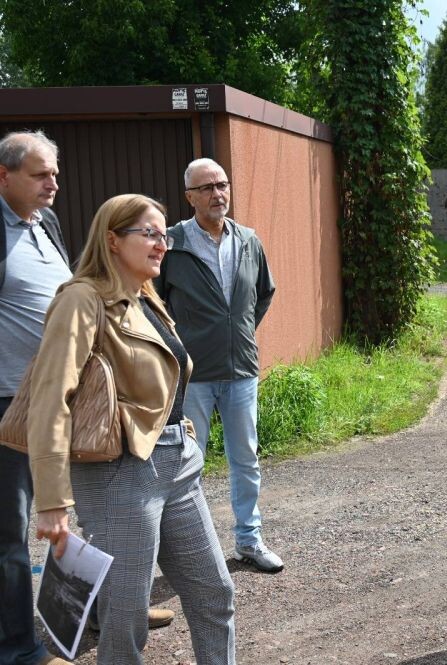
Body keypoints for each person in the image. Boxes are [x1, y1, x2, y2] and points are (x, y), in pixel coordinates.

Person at [30, 194, 236, 664]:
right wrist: (52, 501)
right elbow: (49, 398)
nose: (162, 243)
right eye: (149, 233)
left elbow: (163, 381)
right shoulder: (82, 299)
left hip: (177, 464)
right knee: (124, 623)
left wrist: (181, 429)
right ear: (112, 240)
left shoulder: (146, 298)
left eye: (164, 235)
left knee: (214, 595)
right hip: (120, 473)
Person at [153, 158, 281, 572]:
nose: (217, 194)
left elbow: (262, 294)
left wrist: (235, 331)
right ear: (189, 197)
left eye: (222, 185)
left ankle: (249, 540)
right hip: (192, 375)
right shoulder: (172, 243)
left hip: (241, 369)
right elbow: (151, 301)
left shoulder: (247, 240)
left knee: (246, 459)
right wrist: (180, 345)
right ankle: (194, 554)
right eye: (206, 188)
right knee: (189, 464)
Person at [0, 131, 73, 665]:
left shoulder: (46, 223)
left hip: (62, 399)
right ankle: (17, 647)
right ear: (4, 176)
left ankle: (90, 613)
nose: (53, 183)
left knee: (81, 510)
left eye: (54, 173)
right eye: (40, 174)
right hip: (9, 405)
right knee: (11, 534)